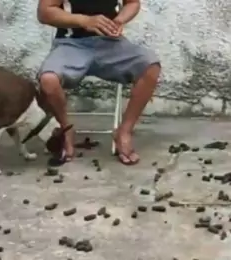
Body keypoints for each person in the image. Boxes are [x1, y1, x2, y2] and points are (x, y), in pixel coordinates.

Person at [37, 0, 161, 165]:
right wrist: (85, 21)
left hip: (110, 43)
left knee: (150, 66)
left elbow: (132, 3)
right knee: (48, 80)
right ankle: (65, 129)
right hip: (70, 44)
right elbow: (44, 12)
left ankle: (124, 132)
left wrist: (119, 20)